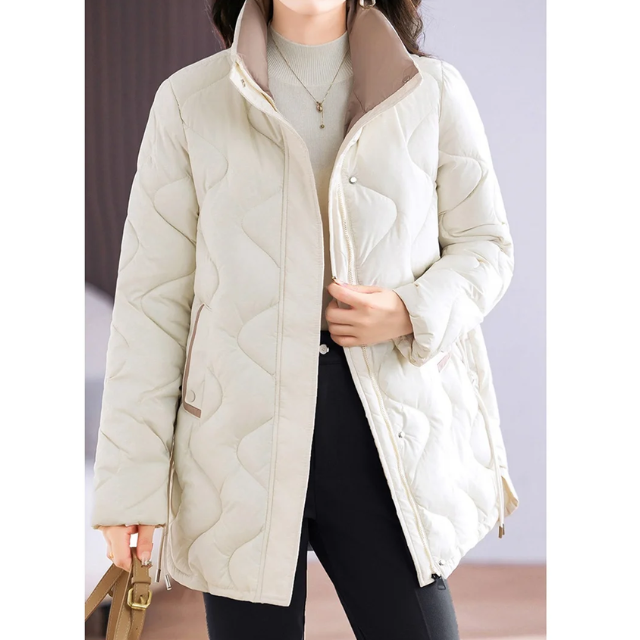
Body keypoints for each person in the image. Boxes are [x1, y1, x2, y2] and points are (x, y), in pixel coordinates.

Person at [91, 1, 520, 638]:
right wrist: (130, 488)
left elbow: (487, 247)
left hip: (384, 432)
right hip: (239, 446)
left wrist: (409, 311)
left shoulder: (430, 92)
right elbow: (150, 308)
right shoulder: (188, 102)